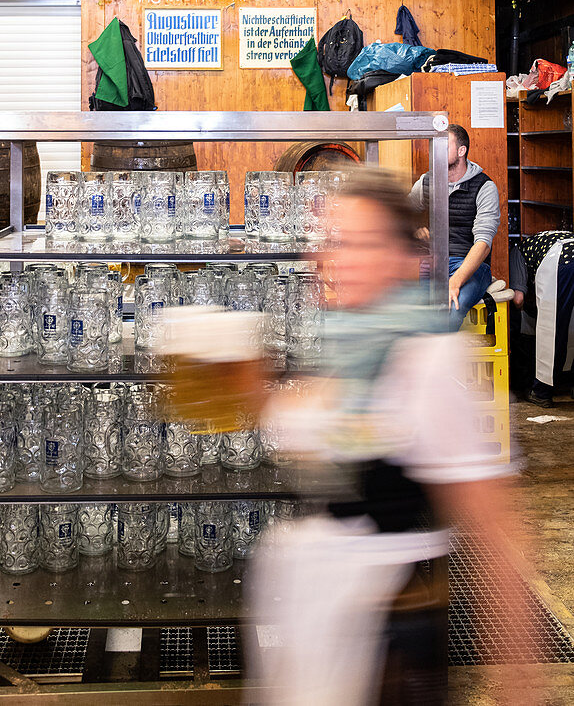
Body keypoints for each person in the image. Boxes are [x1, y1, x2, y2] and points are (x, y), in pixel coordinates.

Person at [244, 168, 533, 706]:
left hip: (382, 630)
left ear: (407, 259)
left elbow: (495, 528)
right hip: (317, 613)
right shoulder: (346, 342)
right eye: (334, 241)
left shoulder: (429, 357)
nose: (338, 257)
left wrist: (519, 681)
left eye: (361, 242)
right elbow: (324, 436)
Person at [409, 123, 500, 329]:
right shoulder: (426, 182)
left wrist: (455, 281)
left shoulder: (484, 187)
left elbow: (483, 244)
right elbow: (402, 215)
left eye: (444, 145)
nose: (436, 151)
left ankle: (433, 359)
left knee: (451, 309)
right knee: (417, 316)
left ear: (461, 151)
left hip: (470, 267)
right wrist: (415, 230)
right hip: (433, 264)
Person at [510, 231, 574, 406]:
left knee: (551, 329)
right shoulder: (551, 236)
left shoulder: (517, 250)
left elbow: (518, 299)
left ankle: (541, 391)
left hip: (560, 260)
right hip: (568, 253)